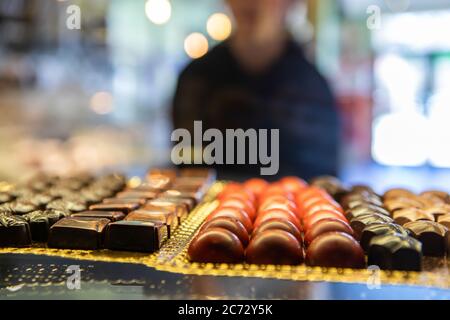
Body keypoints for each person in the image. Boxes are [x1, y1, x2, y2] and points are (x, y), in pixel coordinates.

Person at [172, 0, 340, 180]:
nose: (250, 3)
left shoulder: (312, 87)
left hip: (291, 204)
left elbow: (321, 178)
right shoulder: (196, 78)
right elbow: (188, 164)